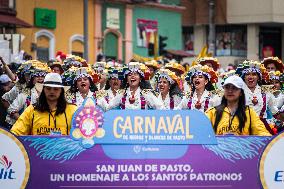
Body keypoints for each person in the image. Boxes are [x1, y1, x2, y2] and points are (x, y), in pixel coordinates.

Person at [11, 73, 77, 136]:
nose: (52, 91)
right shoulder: (31, 110)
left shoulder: (73, 110)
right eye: (48, 88)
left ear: (61, 91)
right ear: (43, 90)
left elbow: (80, 135)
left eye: (56, 89)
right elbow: (16, 133)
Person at [206, 75, 271, 136]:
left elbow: (262, 133)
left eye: (234, 88)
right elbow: (201, 132)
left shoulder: (249, 112)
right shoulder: (212, 112)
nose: (230, 91)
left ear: (241, 93)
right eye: (227, 87)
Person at [98, 62, 164, 110]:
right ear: (126, 79)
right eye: (129, 74)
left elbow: (161, 108)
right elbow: (107, 107)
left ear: (140, 78)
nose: (132, 76)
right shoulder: (122, 94)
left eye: (135, 74)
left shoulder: (146, 93)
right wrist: (99, 92)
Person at [236, 60, 279, 134]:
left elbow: (274, 111)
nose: (250, 77)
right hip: (243, 126)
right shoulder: (238, 92)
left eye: (254, 74)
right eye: (248, 74)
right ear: (244, 77)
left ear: (259, 77)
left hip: (261, 127)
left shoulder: (266, 91)